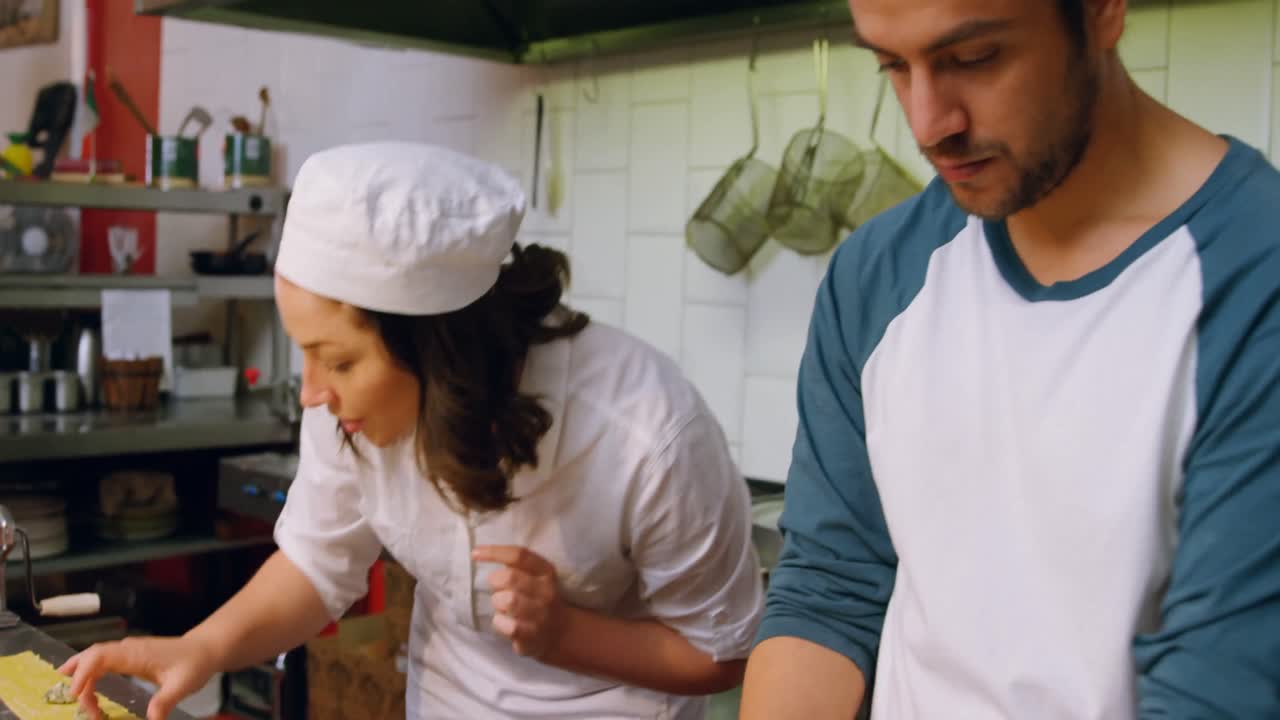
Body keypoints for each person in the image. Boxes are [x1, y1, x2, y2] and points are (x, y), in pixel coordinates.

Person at [62, 143, 764, 719]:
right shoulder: (346, 407)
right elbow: (316, 563)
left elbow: (721, 651)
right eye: (305, 352)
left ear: (440, 349)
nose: (311, 391)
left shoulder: (648, 431)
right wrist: (202, 648)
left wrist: (564, 634)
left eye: (337, 360)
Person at [741, 0, 1280, 718]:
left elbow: (1220, 687)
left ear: (1101, 12)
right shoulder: (881, 272)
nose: (931, 124)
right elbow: (828, 594)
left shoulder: (1254, 279)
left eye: (974, 59)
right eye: (894, 67)